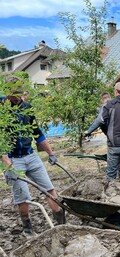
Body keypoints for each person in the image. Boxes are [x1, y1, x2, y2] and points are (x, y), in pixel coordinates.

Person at [1, 82, 65, 237]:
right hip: (13, 159)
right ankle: (27, 229)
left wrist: (51, 153)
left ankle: (63, 226)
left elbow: (38, 133)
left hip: (31, 155)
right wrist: (9, 166)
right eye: (13, 95)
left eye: (19, 94)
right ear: (8, 93)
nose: (17, 98)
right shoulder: (2, 107)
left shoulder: (26, 107)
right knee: (22, 195)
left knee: (49, 189)